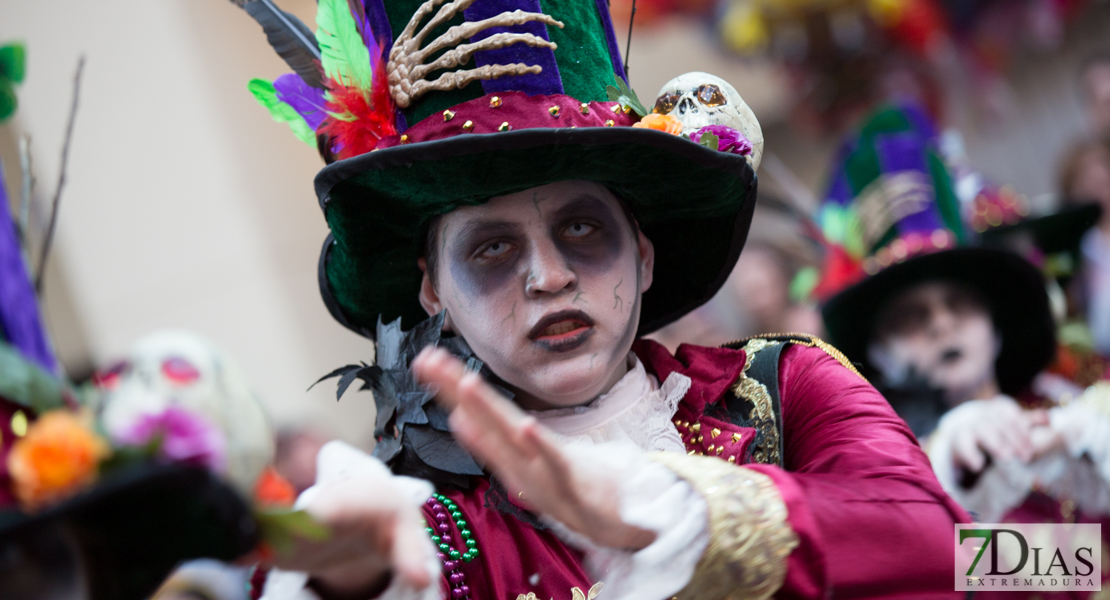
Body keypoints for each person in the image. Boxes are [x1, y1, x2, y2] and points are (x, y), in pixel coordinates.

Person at [235, 2, 969, 599]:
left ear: (642, 253)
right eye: (491, 249)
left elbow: (953, 548)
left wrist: (681, 514)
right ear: (434, 292)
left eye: (581, 228)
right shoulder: (450, 531)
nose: (548, 276)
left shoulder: (789, 387)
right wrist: (355, 577)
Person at [818, 105, 1110, 595]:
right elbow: (905, 566)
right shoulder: (878, 473)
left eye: (959, 303)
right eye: (912, 317)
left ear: (995, 323)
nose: (942, 323)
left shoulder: (1074, 402)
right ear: (879, 349)